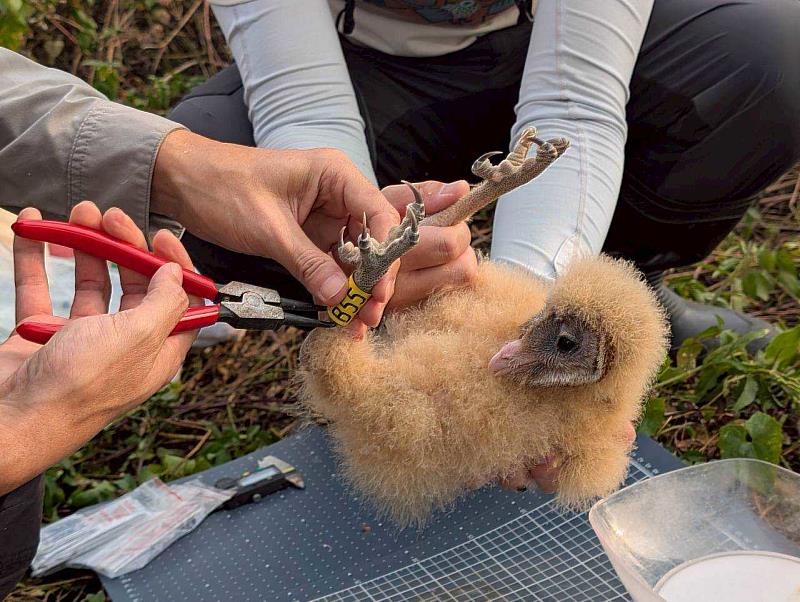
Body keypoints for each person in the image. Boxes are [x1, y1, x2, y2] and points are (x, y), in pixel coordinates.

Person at [174, 0, 800, 355]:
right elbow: (304, 107)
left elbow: (574, 102)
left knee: (777, 56)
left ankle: (619, 282)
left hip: (545, 42)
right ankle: (360, 338)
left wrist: (523, 325)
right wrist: (378, 271)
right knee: (196, 170)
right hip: (366, 67)